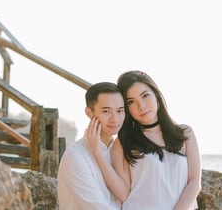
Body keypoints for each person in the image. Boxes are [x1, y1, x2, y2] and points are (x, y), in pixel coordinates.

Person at [86, 70, 201, 210]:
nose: (141, 106)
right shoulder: (123, 143)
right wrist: (97, 154)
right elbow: (123, 194)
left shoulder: (184, 133)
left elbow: (194, 182)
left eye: (145, 96)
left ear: (156, 95)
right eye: (131, 102)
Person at [57, 82, 126, 210]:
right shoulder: (75, 157)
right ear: (89, 112)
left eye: (120, 111)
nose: (115, 119)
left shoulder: (120, 151)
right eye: (106, 111)